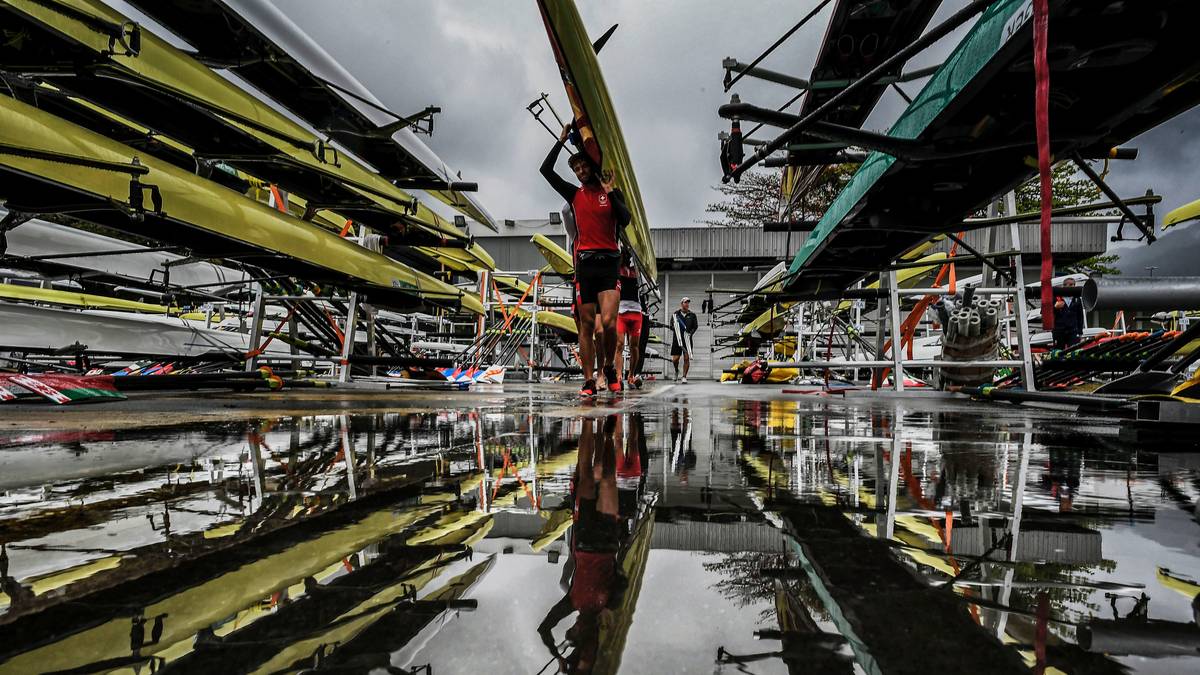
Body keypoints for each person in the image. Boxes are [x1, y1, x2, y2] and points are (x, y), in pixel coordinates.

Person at [542, 124, 631, 396]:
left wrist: (611, 190)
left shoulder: (610, 191)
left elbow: (625, 219)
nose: (580, 172)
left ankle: (610, 369)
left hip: (609, 262)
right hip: (585, 265)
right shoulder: (574, 194)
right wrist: (560, 141)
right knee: (587, 325)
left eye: (583, 167)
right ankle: (589, 380)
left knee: (609, 323)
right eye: (576, 170)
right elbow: (546, 171)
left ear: (591, 167)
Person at [615, 250, 644, 389]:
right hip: (621, 311)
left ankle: (631, 376)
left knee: (634, 346)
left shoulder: (637, 271)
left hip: (636, 311)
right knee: (619, 345)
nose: (626, 257)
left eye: (627, 255)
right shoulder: (617, 269)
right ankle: (618, 376)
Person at [670, 297, 698, 383]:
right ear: (681, 304)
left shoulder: (692, 315)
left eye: (688, 303)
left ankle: (684, 377)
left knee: (686, 358)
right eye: (685, 302)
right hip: (677, 340)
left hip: (687, 340)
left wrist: (690, 333)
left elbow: (695, 326)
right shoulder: (676, 314)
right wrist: (676, 329)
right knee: (675, 359)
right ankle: (676, 371)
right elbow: (671, 325)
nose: (687, 304)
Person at [1052, 277, 1085, 350]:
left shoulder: (1077, 299)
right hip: (1059, 330)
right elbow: (1045, 313)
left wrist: (1080, 332)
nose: (1070, 287)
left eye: (1072, 285)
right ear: (1063, 286)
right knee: (1059, 352)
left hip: (1073, 330)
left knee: (1073, 351)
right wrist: (1055, 307)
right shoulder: (1056, 297)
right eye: (1068, 285)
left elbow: (1080, 316)